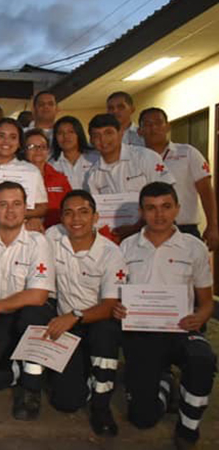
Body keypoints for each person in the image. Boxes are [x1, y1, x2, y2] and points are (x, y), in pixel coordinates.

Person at [115, 182, 215, 450]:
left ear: (177, 209)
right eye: (151, 208)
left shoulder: (194, 247)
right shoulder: (126, 247)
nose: (159, 215)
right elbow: (117, 295)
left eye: (166, 207)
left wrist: (199, 317)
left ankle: (188, 426)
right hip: (141, 332)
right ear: (141, 212)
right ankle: (165, 383)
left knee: (203, 360)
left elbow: (207, 303)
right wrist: (118, 308)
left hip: (183, 330)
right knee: (142, 418)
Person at [0, 181, 56, 421]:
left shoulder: (38, 242)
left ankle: (31, 387)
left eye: (16, 204)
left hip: (30, 313)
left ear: (26, 207)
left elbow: (38, 295)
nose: (10, 210)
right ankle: (19, 365)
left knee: (33, 314)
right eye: (3, 204)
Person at [45, 190, 125, 436]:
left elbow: (110, 305)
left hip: (96, 321)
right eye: (68, 213)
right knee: (66, 402)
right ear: (61, 218)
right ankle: (85, 373)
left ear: (95, 217)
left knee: (106, 333)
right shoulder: (52, 237)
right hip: (67, 323)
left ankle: (101, 404)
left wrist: (75, 316)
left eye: (83, 212)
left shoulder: (111, 253)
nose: (76, 219)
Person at [84, 113, 174, 242]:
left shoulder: (145, 157)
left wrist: (136, 226)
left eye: (108, 133)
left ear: (121, 133)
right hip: (115, 239)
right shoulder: (92, 174)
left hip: (154, 235)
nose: (103, 140)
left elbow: (166, 197)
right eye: (96, 135)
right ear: (91, 140)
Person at [138, 107, 218, 250]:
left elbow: (206, 191)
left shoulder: (188, 153)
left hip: (185, 229)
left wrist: (213, 225)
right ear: (140, 131)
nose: (153, 128)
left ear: (167, 126)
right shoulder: (135, 159)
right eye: (148, 124)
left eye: (158, 123)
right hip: (145, 232)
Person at [0, 118, 47, 226]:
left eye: (13, 137)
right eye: (1, 136)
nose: (6, 141)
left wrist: (14, 214)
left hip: (16, 228)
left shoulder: (30, 170)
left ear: (19, 143)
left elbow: (42, 208)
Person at [24, 129, 71, 229]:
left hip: (57, 231)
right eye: (32, 146)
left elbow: (69, 207)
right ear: (24, 150)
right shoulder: (16, 177)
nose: (38, 150)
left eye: (42, 147)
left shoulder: (60, 178)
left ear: (48, 151)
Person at [49, 116, 98, 190]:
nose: (66, 136)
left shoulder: (95, 159)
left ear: (79, 134)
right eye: (60, 133)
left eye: (71, 132)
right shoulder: (51, 165)